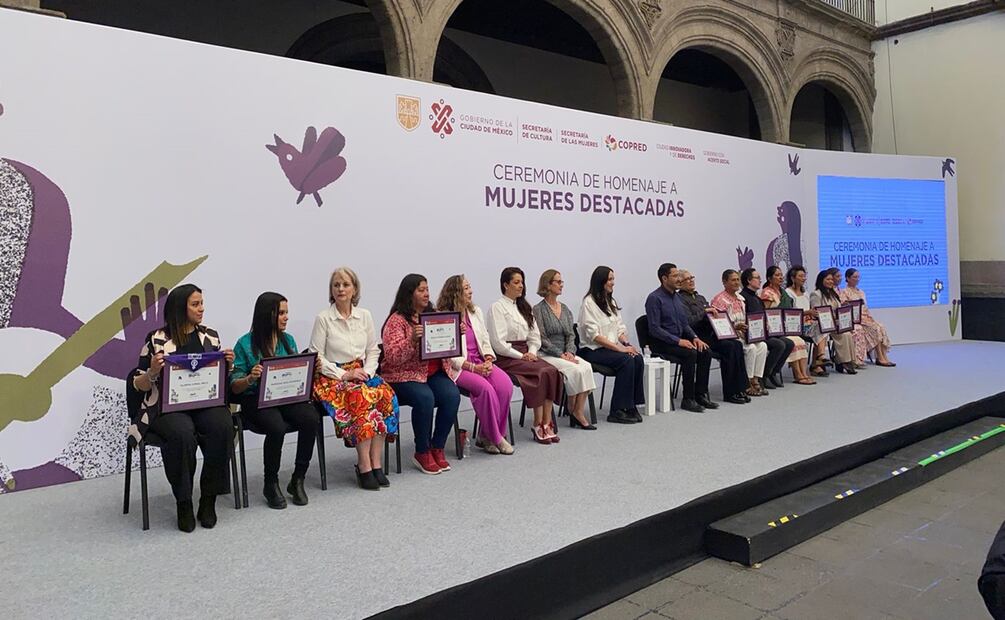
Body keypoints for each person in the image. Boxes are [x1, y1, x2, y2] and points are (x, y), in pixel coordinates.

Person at [128, 284, 234, 533]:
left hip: (204, 403)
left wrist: (226, 365)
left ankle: (208, 499)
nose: (201, 309)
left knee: (223, 425)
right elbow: (137, 383)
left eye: (202, 303)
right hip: (166, 408)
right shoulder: (156, 339)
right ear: (180, 308)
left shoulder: (211, 336)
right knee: (182, 434)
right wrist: (153, 371)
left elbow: (216, 380)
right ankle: (183, 501)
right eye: (195, 304)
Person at [310, 267, 399, 491]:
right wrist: (345, 374)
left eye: (345, 284)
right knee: (361, 397)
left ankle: (376, 462)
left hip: (362, 371)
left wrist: (368, 372)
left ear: (354, 289)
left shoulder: (365, 315)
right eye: (336, 285)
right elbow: (317, 356)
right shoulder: (323, 318)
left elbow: (373, 350)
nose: (340, 289)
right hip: (333, 377)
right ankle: (364, 465)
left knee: (385, 394)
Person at [231, 292, 320, 507]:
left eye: (287, 313)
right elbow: (234, 385)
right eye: (281, 313)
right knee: (276, 427)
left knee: (311, 418)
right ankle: (270, 482)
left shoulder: (287, 340)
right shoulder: (244, 344)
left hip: (285, 396)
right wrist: (250, 377)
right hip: (255, 399)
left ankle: (298, 478)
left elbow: (296, 375)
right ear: (267, 315)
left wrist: (311, 372)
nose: (286, 317)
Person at [381, 274, 460, 475]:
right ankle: (422, 451)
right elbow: (392, 357)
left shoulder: (434, 314)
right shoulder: (396, 321)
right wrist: (412, 341)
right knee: (425, 398)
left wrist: (456, 332)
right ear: (410, 293)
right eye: (421, 290)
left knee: (452, 395)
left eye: (427, 289)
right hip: (403, 375)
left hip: (432, 373)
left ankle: (437, 447)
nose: (426, 294)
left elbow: (446, 345)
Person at [437, 274, 515, 454]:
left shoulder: (475, 311)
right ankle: (497, 439)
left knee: (505, 386)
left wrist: (488, 359)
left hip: (481, 361)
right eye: (465, 288)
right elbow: (449, 355)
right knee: (486, 390)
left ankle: (487, 435)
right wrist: (473, 368)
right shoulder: (443, 316)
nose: (470, 291)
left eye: (469, 286)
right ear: (455, 292)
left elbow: (485, 340)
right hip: (460, 368)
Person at [488, 267, 563, 444]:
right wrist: (521, 357)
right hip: (508, 358)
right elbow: (499, 344)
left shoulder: (524, 307)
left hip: (527, 353)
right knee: (542, 372)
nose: (521, 286)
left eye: (522, 282)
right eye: (516, 282)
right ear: (505, 285)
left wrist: (531, 352)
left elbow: (534, 335)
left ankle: (547, 422)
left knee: (552, 370)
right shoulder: (496, 308)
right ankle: (538, 423)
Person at [645, 263, 717, 413]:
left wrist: (695, 337)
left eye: (679, 275)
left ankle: (700, 394)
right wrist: (678, 341)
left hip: (679, 340)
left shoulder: (677, 297)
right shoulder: (654, 298)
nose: (679, 279)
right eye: (675, 276)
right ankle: (688, 398)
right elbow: (654, 329)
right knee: (690, 353)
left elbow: (684, 323)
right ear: (664, 278)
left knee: (705, 351)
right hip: (661, 343)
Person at [577, 266, 645, 424]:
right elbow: (595, 336)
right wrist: (621, 349)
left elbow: (619, 328)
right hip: (592, 350)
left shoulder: (610, 301)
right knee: (626, 360)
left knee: (637, 358)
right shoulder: (589, 303)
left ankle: (631, 405)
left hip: (610, 348)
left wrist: (627, 344)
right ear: (600, 281)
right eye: (610, 279)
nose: (613, 283)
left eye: (613, 279)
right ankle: (616, 410)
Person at [532, 269, 597, 430]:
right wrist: (560, 354)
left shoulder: (565, 309)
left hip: (566, 353)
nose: (562, 285)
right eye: (558, 282)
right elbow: (542, 338)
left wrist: (570, 352)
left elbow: (570, 335)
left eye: (562, 282)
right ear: (548, 284)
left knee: (586, 367)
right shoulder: (538, 309)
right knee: (575, 370)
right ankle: (572, 407)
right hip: (547, 354)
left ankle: (577, 410)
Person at [678, 269, 750, 405]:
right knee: (728, 347)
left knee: (736, 344)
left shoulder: (700, 298)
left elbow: (715, 318)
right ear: (680, 283)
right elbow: (688, 322)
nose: (691, 280)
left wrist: (728, 326)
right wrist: (704, 314)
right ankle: (729, 393)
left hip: (711, 335)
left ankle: (739, 388)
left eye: (692, 277)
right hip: (695, 337)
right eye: (687, 279)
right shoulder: (680, 300)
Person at [710, 270, 770, 397]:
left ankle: (755, 379)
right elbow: (718, 324)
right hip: (729, 337)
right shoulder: (719, 300)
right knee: (751, 348)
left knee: (762, 346)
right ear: (724, 282)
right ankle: (746, 383)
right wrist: (735, 327)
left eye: (737, 279)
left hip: (744, 335)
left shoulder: (741, 299)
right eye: (733, 280)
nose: (736, 282)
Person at [739, 268, 794, 389]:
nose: (760, 280)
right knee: (779, 344)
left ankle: (773, 371)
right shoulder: (743, 298)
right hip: (752, 334)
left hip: (763, 332)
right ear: (749, 280)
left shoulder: (757, 298)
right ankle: (764, 375)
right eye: (757, 278)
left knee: (789, 343)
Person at [759, 266, 814, 385]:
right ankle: (797, 375)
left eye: (781, 275)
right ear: (769, 278)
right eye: (777, 275)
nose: (780, 277)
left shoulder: (782, 292)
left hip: (787, 327)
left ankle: (803, 373)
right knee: (794, 342)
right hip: (773, 329)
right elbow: (765, 313)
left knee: (801, 341)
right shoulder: (767, 293)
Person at [840, 268, 895, 367]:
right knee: (875, 328)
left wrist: (870, 318)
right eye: (854, 277)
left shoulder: (861, 292)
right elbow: (845, 309)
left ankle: (883, 356)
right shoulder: (844, 292)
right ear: (847, 278)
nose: (857, 279)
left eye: (858, 277)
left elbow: (865, 308)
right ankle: (880, 357)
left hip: (865, 317)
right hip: (855, 319)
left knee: (880, 326)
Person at [785, 265, 829, 377]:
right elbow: (789, 313)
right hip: (795, 324)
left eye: (804, 276)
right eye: (800, 276)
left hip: (808, 322)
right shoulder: (788, 293)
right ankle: (818, 359)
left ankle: (819, 357)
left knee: (822, 326)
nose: (803, 278)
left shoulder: (806, 293)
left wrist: (812, 314)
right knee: (820, 328)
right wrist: (807, 313)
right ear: (793, 278)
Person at [810, 270, 857, 374]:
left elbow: (838, 310)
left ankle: (844, 361)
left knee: (847, 334)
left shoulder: (834, 294)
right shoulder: (816, 294)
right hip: (821, 323)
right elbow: (816, 312)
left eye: (831, 279)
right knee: (822, 330)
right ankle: (820, 358)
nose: (830, 281)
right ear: (821, 280)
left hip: (834, 323)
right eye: (827, 279)